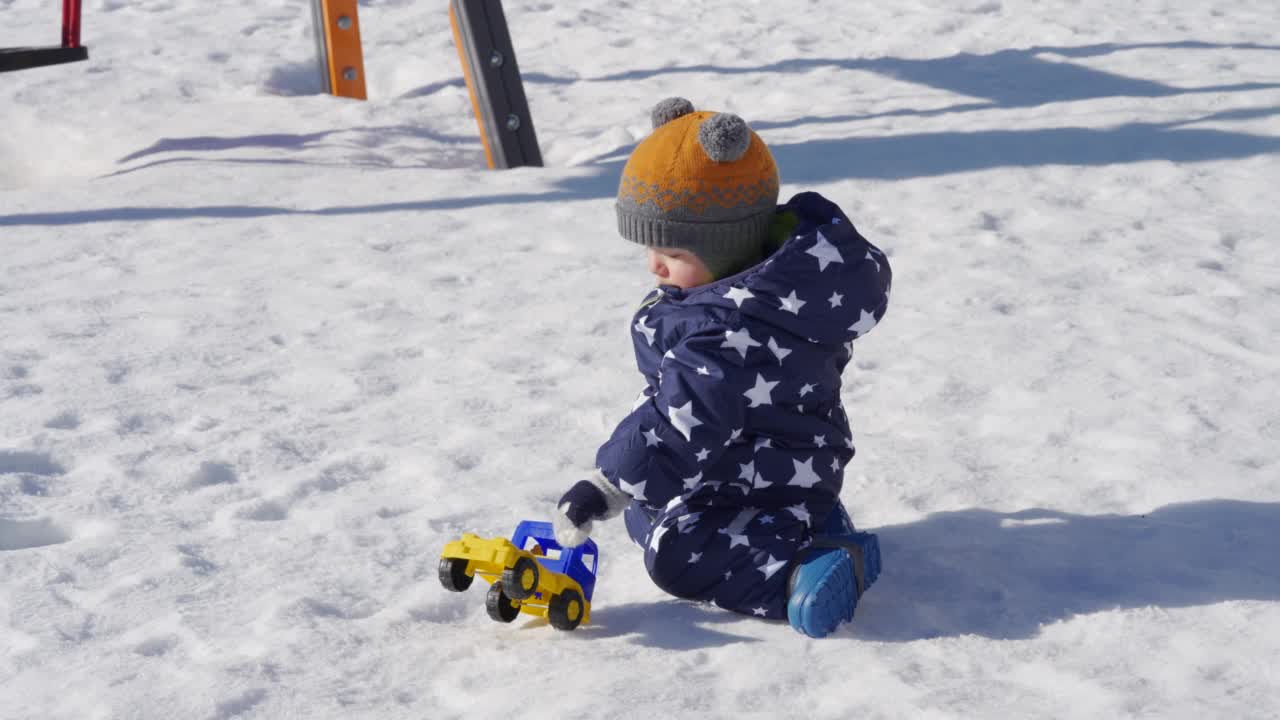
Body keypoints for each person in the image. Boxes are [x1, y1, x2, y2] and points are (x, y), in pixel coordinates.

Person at [552, 97, 892, 638]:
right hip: (773, 459)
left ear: (727, 244)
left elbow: (679, 425)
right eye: (650, 247)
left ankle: (800, 573)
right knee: (648, 513)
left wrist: (608, 482)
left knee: (675, 554)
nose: (654, 265)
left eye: (673, 252)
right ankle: (809, 525)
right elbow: (677, 404)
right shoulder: (767, 297)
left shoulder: (725, 337)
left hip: (759, 472)